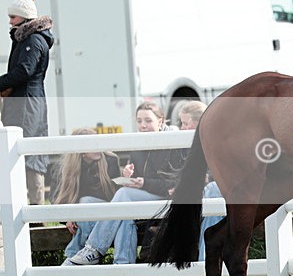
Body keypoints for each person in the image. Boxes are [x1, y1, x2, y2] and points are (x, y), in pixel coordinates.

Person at [65, 102, 186, 265]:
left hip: (165, 200)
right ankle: (121, 265)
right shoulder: (137, 142)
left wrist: (144, 183)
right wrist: (128, 175)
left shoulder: (174, 143)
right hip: (139, 198)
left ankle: (93, 249)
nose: (143, 125)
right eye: (139, 121)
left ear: (160, 120)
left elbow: (175, 184)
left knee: (123, 196)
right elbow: (137, 180)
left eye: (148, 121)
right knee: (109, 208)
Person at [0, 0, 54, 204]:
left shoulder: (33, 40)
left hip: (27, 104)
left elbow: (24, 70)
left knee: (26, 156)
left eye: (13, 17)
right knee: (27, 154)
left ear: (24, 17)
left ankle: (33, 211)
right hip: (28, 101)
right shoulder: (27, 38)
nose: (10, 21)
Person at [51, 128, 121, 262]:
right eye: (93, 145)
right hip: (83, 218)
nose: (98, 148)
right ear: (80, 150)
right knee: (84, 207)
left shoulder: (110, 160)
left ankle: (73, 255)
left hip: (106, 213)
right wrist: (68, 218)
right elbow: (57, 199)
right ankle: (82, 258)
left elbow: (112, 196)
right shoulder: (65, 167)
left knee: (86, 201)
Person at [177, 100, 221, 261]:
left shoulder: (217, 138)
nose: (181, 128)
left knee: (211, 192)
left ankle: (203, 259)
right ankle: (205, 259)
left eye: (185, 123)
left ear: (198, 123)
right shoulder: (183, 143)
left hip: (219, 191)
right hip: (204, 193)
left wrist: (207, 176)